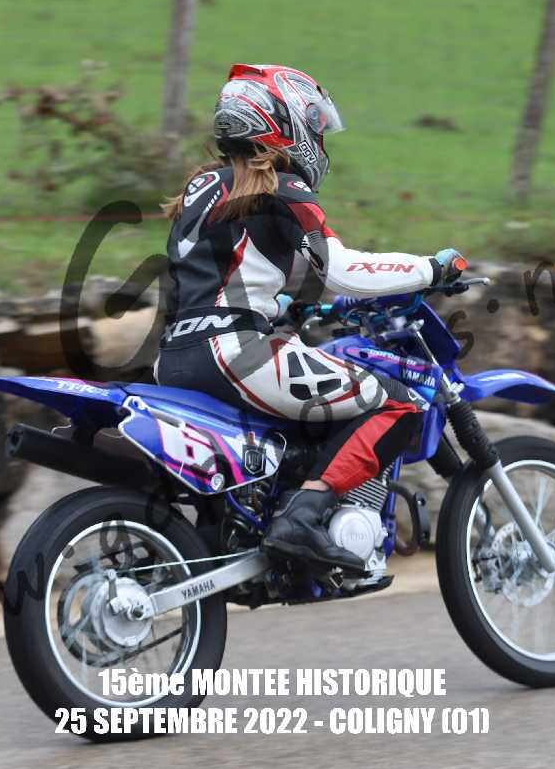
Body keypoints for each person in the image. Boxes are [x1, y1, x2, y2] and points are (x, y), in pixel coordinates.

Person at [157, 63, 463, 573]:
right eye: (315, 126)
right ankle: (301, 519)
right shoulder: (281, 187)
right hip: (237, 354)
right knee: (398, 403)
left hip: (175, 358)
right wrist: (432, 268)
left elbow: (221, 273)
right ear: (285, 122)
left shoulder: (204, 186)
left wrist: (284, 305)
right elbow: (342, 270)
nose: (319, 140)